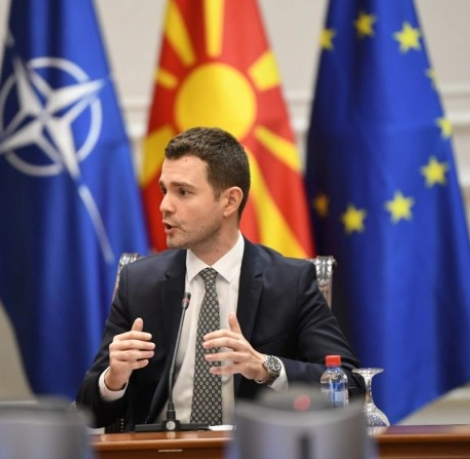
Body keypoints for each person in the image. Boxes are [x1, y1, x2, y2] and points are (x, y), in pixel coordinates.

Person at [76, 127, 363, 430]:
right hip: (160, 447)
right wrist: (113, 380)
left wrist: (265, 367)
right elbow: (87, 412)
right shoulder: (139, 282)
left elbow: (351, 386)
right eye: (164, 191)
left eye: (183, 192)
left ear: (229, 201)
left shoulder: (289, 282)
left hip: (253, 447)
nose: (164, 206)